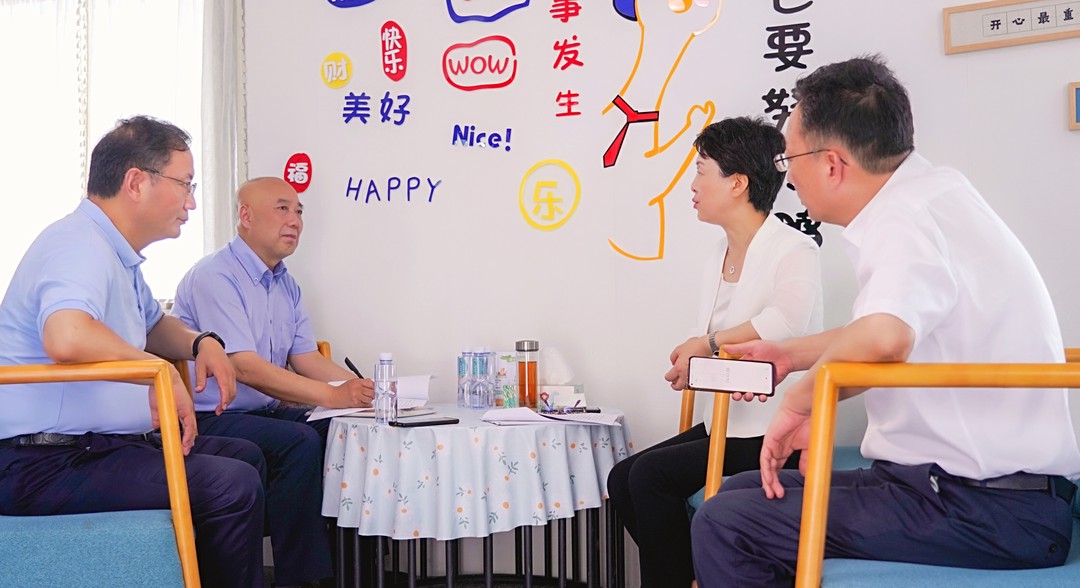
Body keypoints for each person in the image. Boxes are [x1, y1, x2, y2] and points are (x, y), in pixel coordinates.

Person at [691, 55, 1080, 587]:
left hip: (987, 510)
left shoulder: (904, 217)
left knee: (728, 522)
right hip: (963, 492)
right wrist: (791, 354)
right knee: (739, 492)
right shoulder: (932, 194)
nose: (788, 176)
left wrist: (801, 401)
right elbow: (890, 328)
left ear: (832, 164)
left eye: (789, 159)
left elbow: (885, 338)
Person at [0, 116, 267, 586]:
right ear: (136, 182)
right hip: (41, 463)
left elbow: (154, 325)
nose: (191, 202)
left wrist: (201, 343)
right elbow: (66, 336)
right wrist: (158, 372)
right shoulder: (76, 244)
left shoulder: (116, 254)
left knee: (246, 456)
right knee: (231, 483)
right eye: (185, 184)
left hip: (94, 448)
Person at [605, 117, 823, 588]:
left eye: (702, 171)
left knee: (650, 477)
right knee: (622, 478)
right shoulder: (716, 256)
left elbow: (785, 322)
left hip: (773, 431)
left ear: (738, 183)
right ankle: (698, 575)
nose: (692, 185)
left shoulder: (794, 249)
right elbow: (705, 330)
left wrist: (705, 346)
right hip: (723, 422)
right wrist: (689, 360)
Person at [172, 176, 375, 587]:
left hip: (263, 414)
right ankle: (303, 579)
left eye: (299, 211)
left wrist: (368, 393)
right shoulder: (215, 276)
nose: (295, 220)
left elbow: (306, 359)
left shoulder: (286, 284)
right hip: (213, 415)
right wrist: (333, 395)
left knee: (353, 430)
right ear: (245, 217)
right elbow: (244, 367)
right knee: (300, 441)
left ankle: (358, 571)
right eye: (283, 208)